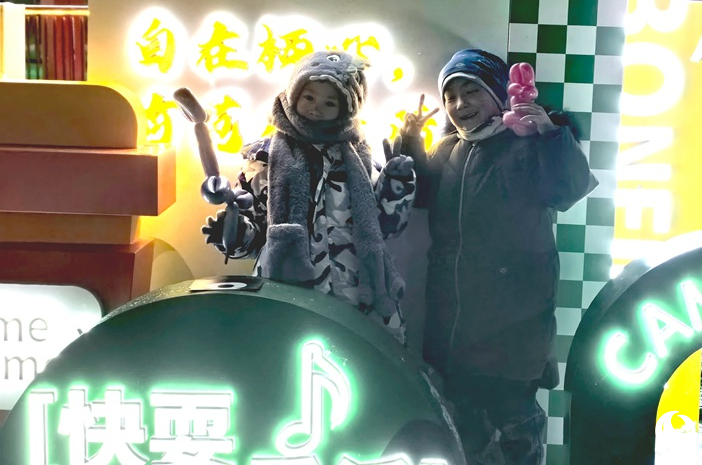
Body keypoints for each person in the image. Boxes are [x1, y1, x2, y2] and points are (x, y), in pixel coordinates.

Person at [399, 48, 598, 464]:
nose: (460, 104)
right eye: (451, 96)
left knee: (517, 431)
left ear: (497, 92)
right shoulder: (448, 149)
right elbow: (422, 195)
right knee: (463, 432)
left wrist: (550, 134)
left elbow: (568, 190)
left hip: (514, 326)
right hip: (454, 325)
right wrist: (412, 142)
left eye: (471, 91)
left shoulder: (524, 143)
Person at [201, 51, 415, 344]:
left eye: (330, 103)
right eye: (309, 97)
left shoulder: (361, 160)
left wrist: (398, 183)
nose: (316, 108)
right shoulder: (264, 159)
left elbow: (387, 226)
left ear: (347, 108)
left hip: (356, 293)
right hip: (289, 294)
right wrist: (233, 231)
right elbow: (253, 235)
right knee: (288, 360)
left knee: (358, 361)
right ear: (294, 93)